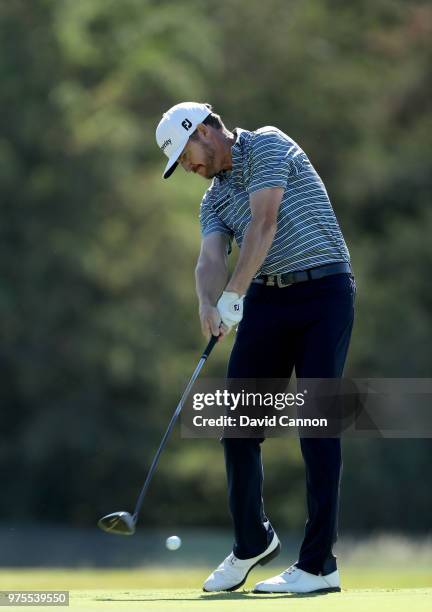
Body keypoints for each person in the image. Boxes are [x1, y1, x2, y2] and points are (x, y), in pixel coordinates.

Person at [155, 102, 356, 594]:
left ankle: (317, 566)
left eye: (186, 156)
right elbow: (209, 256)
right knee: (238, 428)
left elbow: (263, 222)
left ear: (204, 131)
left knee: (316, 428)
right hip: (267, 297)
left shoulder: (266, 142)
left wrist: (234, 296)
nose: (189, 168)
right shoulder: (213, 198)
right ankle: (251, 543)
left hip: (322, 291)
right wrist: (208, 302)